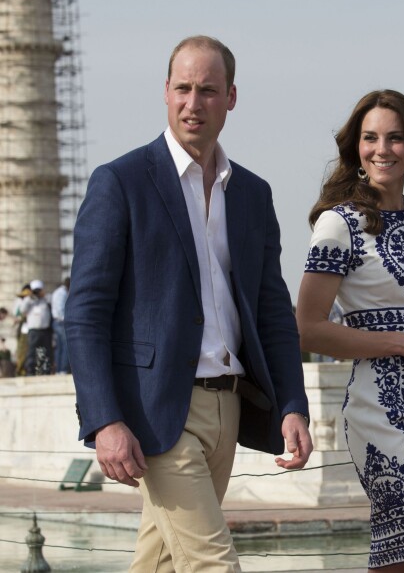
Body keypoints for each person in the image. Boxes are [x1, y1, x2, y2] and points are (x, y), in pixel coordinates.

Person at [65, 35, 312, 572]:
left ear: (231, 98)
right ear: (165, 92)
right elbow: (85, 314)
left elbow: (272, 311)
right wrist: (105, 419)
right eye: (182, 88)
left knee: (162, 563)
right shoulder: (121, 182)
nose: (192, 103)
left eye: (207, 90)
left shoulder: (252, 193)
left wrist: (292, 402)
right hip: (158, 414)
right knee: (213, 563)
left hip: (230, 406)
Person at [296, 90, 404, 573]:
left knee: (398, 561)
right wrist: (402, 344)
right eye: (370, 138)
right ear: (355, 149)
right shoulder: (338, 225)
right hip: (379, 411)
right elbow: (308, 329)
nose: (382, 149)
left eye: (395, 138)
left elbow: (403, 309)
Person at [21, 279, 52, 375]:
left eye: (39, 290)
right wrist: (30, 297)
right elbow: (22, 310)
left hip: (45, 330)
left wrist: (43, 295)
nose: (37, 292)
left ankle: (45, 371)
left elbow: (52, 301)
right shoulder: (28, 300)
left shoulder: (46, 299)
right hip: (33, 330)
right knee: (31, 352)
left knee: (45, 352)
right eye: (35, 290)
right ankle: (30, 371)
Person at [51, 277, 70, 374]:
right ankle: (63, 369)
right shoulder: (62, 293)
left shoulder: (57, 292)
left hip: (56, 322)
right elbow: (60, 309)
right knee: (66, 346)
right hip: (61, 322)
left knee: (59, 347)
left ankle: (58, 369)